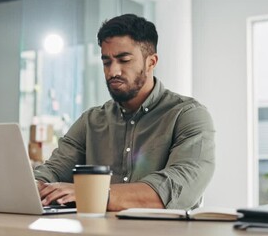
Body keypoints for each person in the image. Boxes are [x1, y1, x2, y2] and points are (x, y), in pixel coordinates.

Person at [34, 14, 215, 211]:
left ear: (151, 62)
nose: (113, 72)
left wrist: (92, 194)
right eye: (106, 62)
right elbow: (52, 172)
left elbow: (177, 188)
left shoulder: (188, 115)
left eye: (124, 60)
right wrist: (34, 186)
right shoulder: (90, 121)